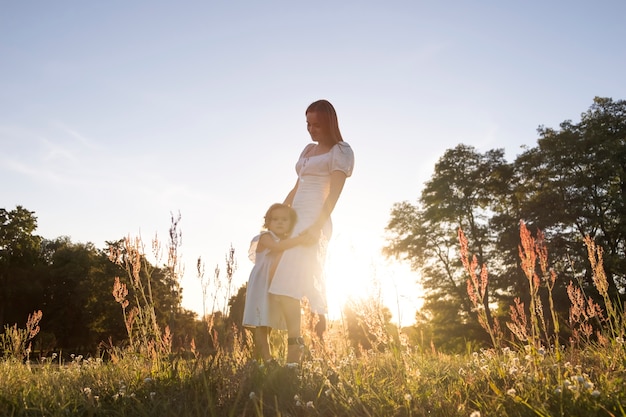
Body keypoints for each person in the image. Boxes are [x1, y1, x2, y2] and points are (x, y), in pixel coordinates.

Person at [268, 99, 355, 364]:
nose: (311, 129)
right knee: (284, 286)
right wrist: (277, 214)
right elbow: (297, 187)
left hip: (314, 221)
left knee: (307, 284)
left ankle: (310, 352)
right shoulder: (307, 150)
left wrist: (316, 228)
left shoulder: (341, 151)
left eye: (316, 124)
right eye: (307, 123)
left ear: (329, 123)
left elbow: (335, 195)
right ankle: (299, 350)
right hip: (293, 219)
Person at [242, 203, 312, 362]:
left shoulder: (287, 240)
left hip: (275, 283)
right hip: (261, 283)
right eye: (275, 219)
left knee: (269, 318)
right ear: (268, 222)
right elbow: (278, 247)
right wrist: (301, 239)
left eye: (284, 219)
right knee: (261, 322)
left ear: (291, 223)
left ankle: (259, 358)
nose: (279, 222)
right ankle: (267, 359)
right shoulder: (265, 237)